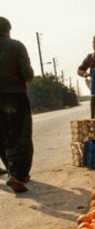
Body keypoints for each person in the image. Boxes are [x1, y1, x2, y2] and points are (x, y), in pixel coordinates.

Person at [0, 17, 34, 193]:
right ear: (9, 29)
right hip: (14, 96)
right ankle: (19, 175)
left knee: (3, 136)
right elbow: (27, 73)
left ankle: (12, 172)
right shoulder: (16, 46)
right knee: (22, 135)